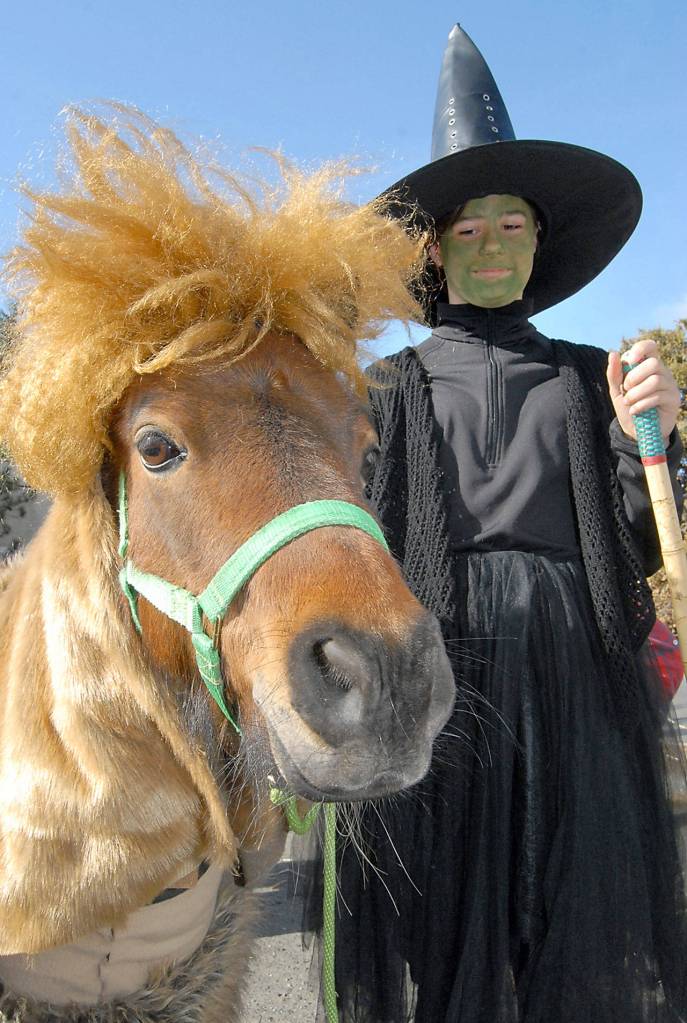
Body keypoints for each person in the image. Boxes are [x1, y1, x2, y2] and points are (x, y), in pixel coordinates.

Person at [311, 24, 687, 1023]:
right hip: (440, 674)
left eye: (511, 226)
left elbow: (639, 544)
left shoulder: (589, 376)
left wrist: (648, 438)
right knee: (444, 916)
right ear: (434, 252)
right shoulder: (381, 387)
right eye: (467, 230)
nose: (491, 246)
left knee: (575, 912)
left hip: (577, 677)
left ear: (539, 245)